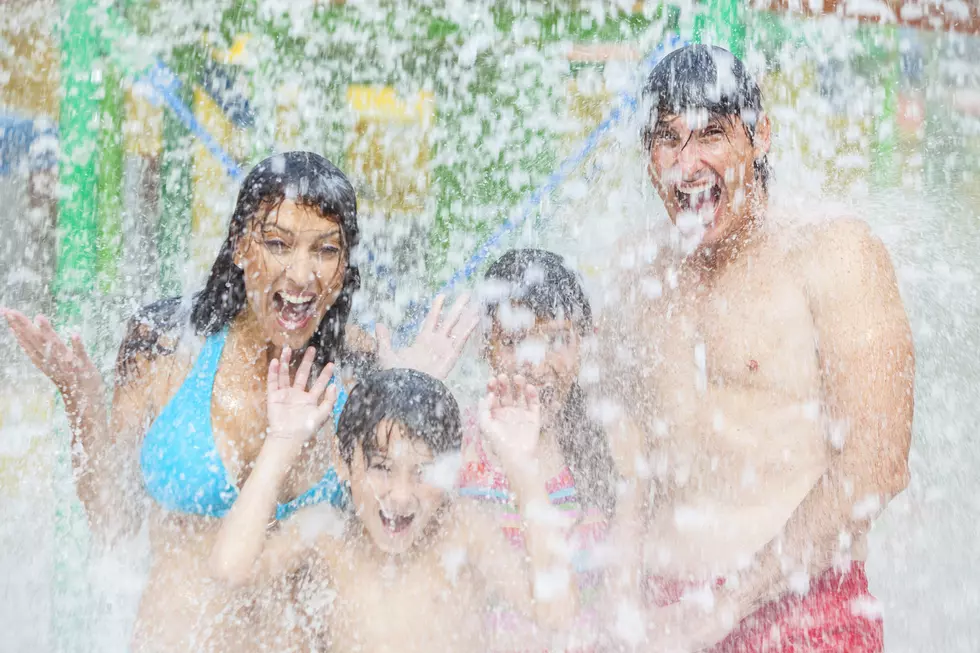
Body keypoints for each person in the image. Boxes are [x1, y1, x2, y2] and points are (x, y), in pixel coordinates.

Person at [2, 151, 477, 653]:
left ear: (343, 266)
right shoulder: (166, 347)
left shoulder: (358, 369)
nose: (301, 274)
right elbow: (112, 522)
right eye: (278, 243)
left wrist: (411, 392)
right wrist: (81, 403)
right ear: (240, 245)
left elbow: (400, 535)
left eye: (325, 250)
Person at [597, 45, 915, 652]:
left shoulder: (833, 253)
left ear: (760, 136)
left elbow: (878, 462)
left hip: (801, 613)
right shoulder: (638, 274)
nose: (686, 165)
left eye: (711, 134)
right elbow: (620, 454)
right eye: (667, 139)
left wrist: (729, 602)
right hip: (662, 618)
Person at [209, 360, 579, 653]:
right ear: (341, 460)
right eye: (382, 469)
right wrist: (281, 443)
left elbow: (558, 613)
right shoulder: (325, 533)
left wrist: (521, 467)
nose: (401, 496)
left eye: (423, 472)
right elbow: (229, 570)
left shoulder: (462, 530)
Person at [458, 248, 617, 653]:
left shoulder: (606, 449)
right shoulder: (454, 447)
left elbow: (625, 604)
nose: (538, 364)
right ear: (484, 345)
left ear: (585, 340)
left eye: (559, 339)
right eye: (514, 341)